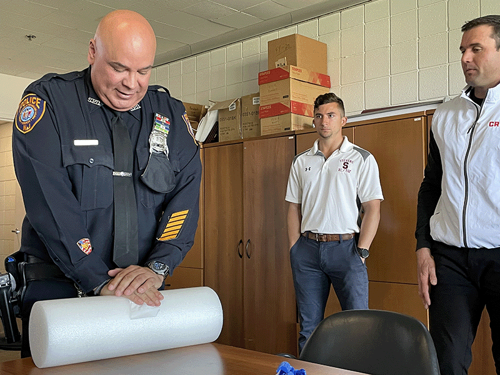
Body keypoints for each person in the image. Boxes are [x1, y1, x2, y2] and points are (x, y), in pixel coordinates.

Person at [12, 10, 201, 357]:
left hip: (140, 293)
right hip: (63, 291)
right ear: (92, 51)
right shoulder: (50, 103)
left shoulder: (169, 113)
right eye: (119, 68)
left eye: (143, 71)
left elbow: (185, 196)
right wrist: (97, 279)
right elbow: (51, 205)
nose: (132, 83)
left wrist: (159, 265)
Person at [415, 14, 500, 375]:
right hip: (449, 259)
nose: (465, 57)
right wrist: (423, 246)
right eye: (463, 50)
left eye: (476, 48)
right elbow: (431, 184)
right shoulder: (446, 115)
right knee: (447, 361)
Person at [285, 92, 383, 352]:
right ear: (314, 121)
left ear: (343, 120)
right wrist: (295, 247)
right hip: (307, 251)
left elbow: (373, 208)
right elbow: (293, 207)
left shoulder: (362, 158)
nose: (324, 121)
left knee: (358, 325)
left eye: (330, 115)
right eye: (318, 116)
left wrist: (362, 251)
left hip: (347, 250)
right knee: (309, 328)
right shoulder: (301, 161)